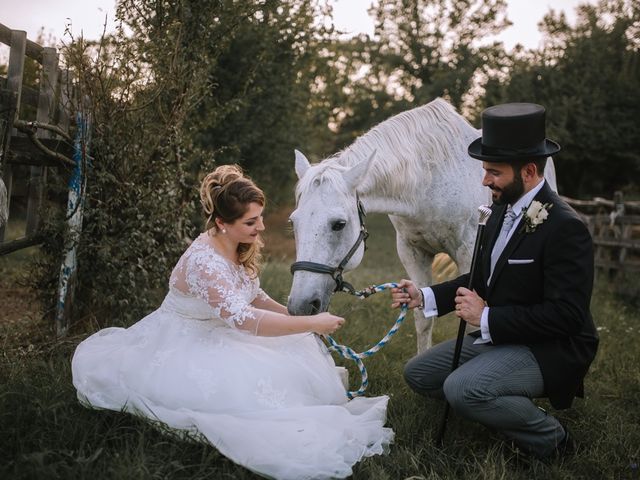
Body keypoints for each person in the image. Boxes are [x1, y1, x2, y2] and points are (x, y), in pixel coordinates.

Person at [72, 165, 393, 480]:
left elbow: (255, 297)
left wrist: (298, 318)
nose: (261, 227)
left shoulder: (235, 244)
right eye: (251, 222)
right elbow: (245, 320)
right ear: (224, 223)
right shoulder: (204, 263)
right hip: (189, 340)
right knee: (248, 399)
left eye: (260, 218)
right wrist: (310, 324)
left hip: (224, 329)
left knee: (286, 365)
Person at [391, 103, 598, 459]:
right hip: (503, 333)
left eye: (493, 172)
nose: (484, 180)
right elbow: (481, 278)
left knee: (461, 389)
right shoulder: (499, 209)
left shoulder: (566, 228)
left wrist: (486, 318)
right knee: (420, 373)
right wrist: (422, 296)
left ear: (529, 171)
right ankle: (493, 400)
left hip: (551, 346)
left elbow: (568, 316)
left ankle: (553, 438)